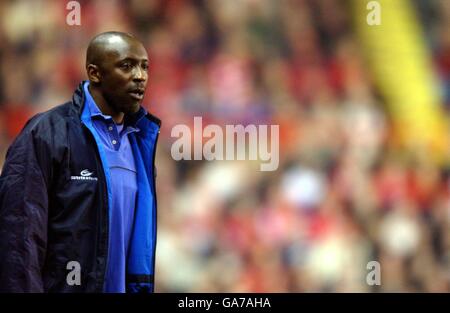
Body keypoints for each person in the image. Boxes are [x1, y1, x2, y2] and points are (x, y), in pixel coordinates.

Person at [0, 31, 161, 293]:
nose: (140, 76)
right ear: (95, 73)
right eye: (126, 65)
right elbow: (19, 239)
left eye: (144, 67)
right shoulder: (47, 134)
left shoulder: (139, 144)